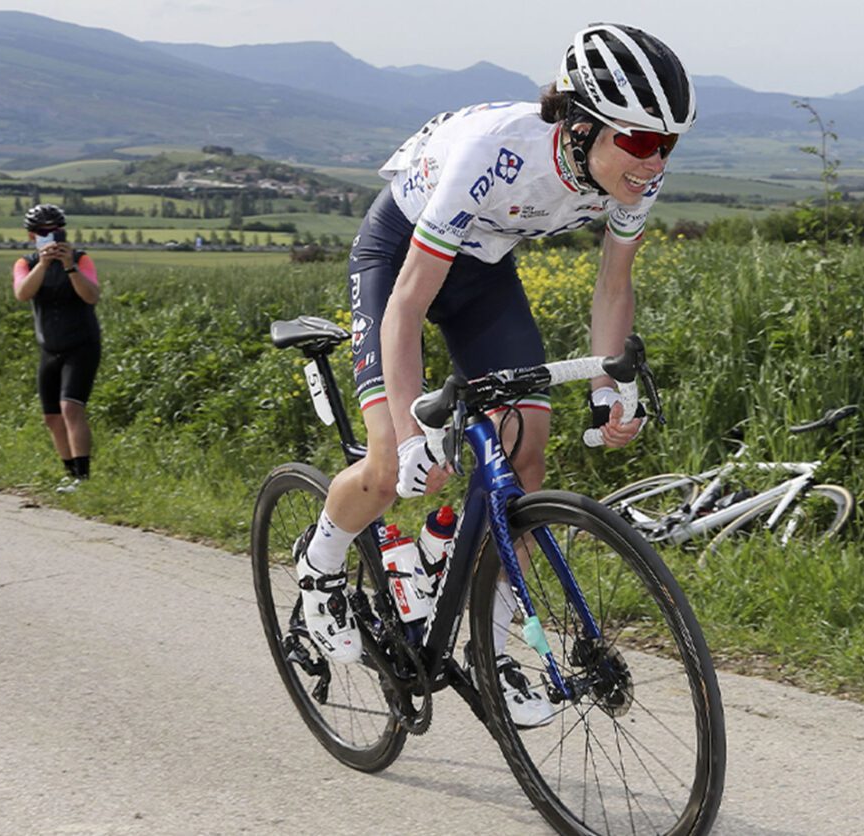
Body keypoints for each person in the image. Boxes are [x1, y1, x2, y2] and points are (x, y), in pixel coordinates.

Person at [295, 22, 695, 727]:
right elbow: (407, 305)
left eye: (667, 143)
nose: (653, 162)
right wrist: (412, 434)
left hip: (481, 273)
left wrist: (608, 387)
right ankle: (319, 565)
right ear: (580, 125)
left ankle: (492, 642)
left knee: (526, 456)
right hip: (400, 258)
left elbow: (613, 285)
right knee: (392, 468)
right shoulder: (495, 153)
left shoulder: (637, 176)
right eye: (638, 141)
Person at [12, 204, 101, 492]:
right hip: (50, 347)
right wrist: (42, 264)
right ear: (32, 236)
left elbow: (91, 296)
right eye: (43, 232)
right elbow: (22, 293)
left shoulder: (81, 259)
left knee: (71, 408)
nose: (51, 237)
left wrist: (69, 267)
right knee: (51, 417)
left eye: (56, 231)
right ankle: (69, 472)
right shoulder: (25, 264)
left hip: (81, 345)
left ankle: (83, 478)